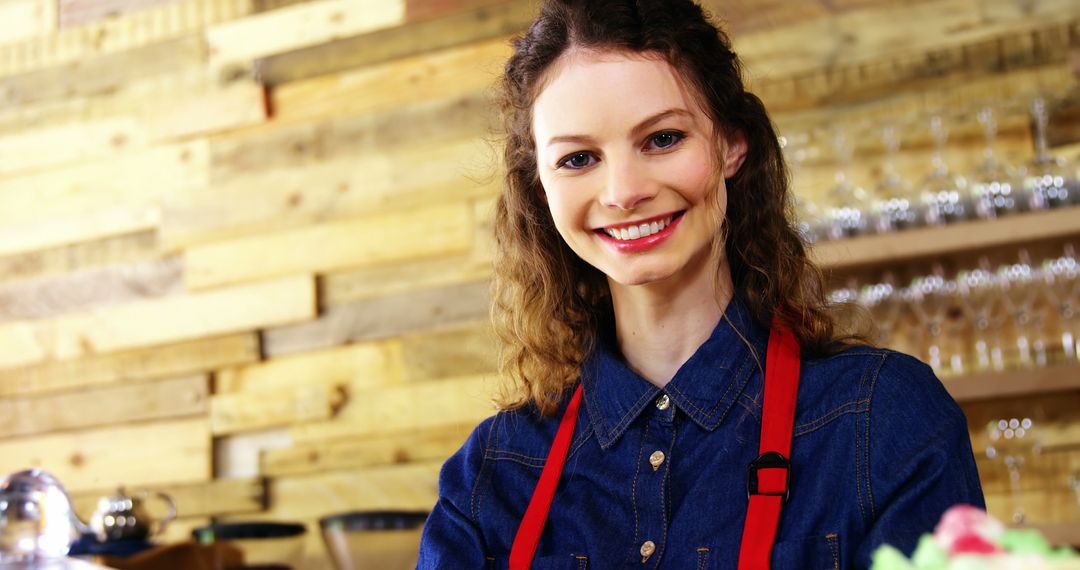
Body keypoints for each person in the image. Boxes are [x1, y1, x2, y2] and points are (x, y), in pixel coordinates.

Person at [416, 0, 985, 568]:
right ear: (541, 187)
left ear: (732, 144)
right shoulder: (491, 475)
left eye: (662, 139)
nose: (622, 191)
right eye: (579, 158)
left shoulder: (881, 419)